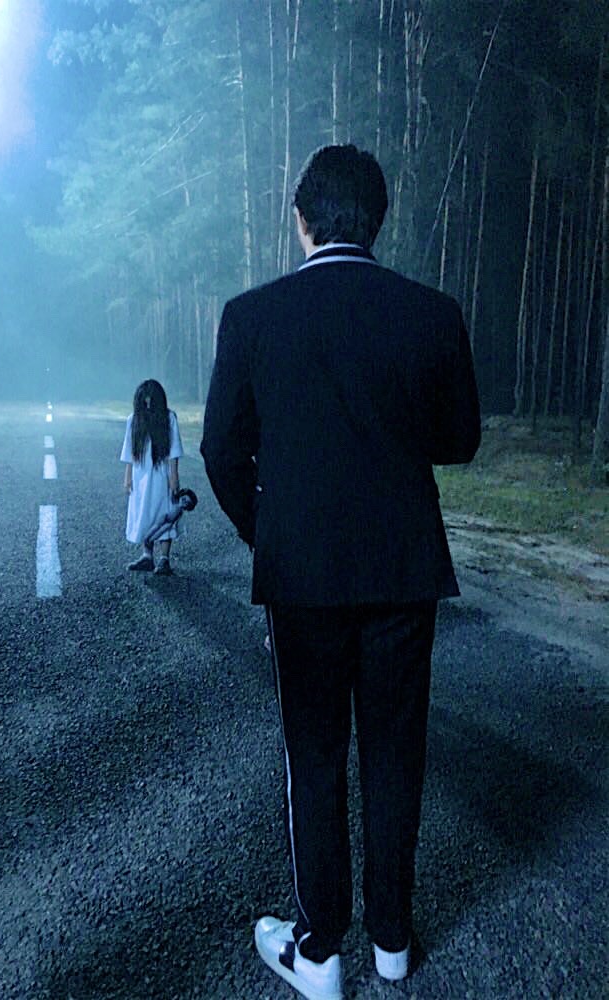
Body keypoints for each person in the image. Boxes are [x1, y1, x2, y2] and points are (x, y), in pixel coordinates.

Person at [201, 145, 480, 1000]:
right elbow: (459, 440)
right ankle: (392, 941)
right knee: (397, 754)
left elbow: (221, 450)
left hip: (303, 577)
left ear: (302, 219)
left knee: (315, 756)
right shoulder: (432, 313)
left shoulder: (253, 316)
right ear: (378, 219)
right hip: (402, 568)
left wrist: (268, 534)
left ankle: (320, 951)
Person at [121, 379, 184, 576]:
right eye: (145, 401)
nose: (148, 405)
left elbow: (174, 450)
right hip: (140, 476)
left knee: (165, 514)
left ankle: (164, 558)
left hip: (162, 476)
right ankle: (147, 556)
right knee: (144, 513)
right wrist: (128, 476)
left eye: (151, 401)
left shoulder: (169, 418)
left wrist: (174, 477)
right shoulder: (134, 419)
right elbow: (129, 451)